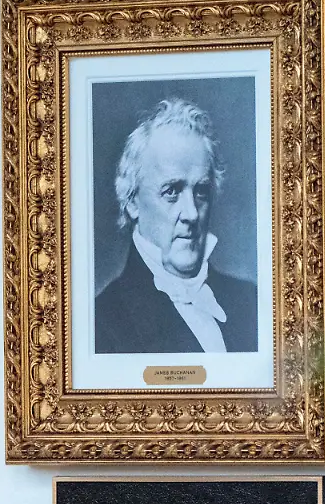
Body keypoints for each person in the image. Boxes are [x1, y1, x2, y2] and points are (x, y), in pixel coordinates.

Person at [94, 98, 257, 354]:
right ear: (133, 201)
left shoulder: (252, 302)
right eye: (171, 191)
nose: (191, 214)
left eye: (201, 191)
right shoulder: (101, 324)